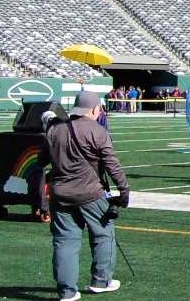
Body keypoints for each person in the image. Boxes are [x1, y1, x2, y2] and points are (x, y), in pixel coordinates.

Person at [44, 91, 129, 300]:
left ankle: (67, 291)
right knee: (103, 234)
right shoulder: (98, 131)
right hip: (90, 193)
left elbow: (41, 161)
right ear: (94, 109)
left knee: (65, 241)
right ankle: (101, 280)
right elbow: (111, 164)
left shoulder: (54, 129)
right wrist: (124, 189)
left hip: (60, 194)